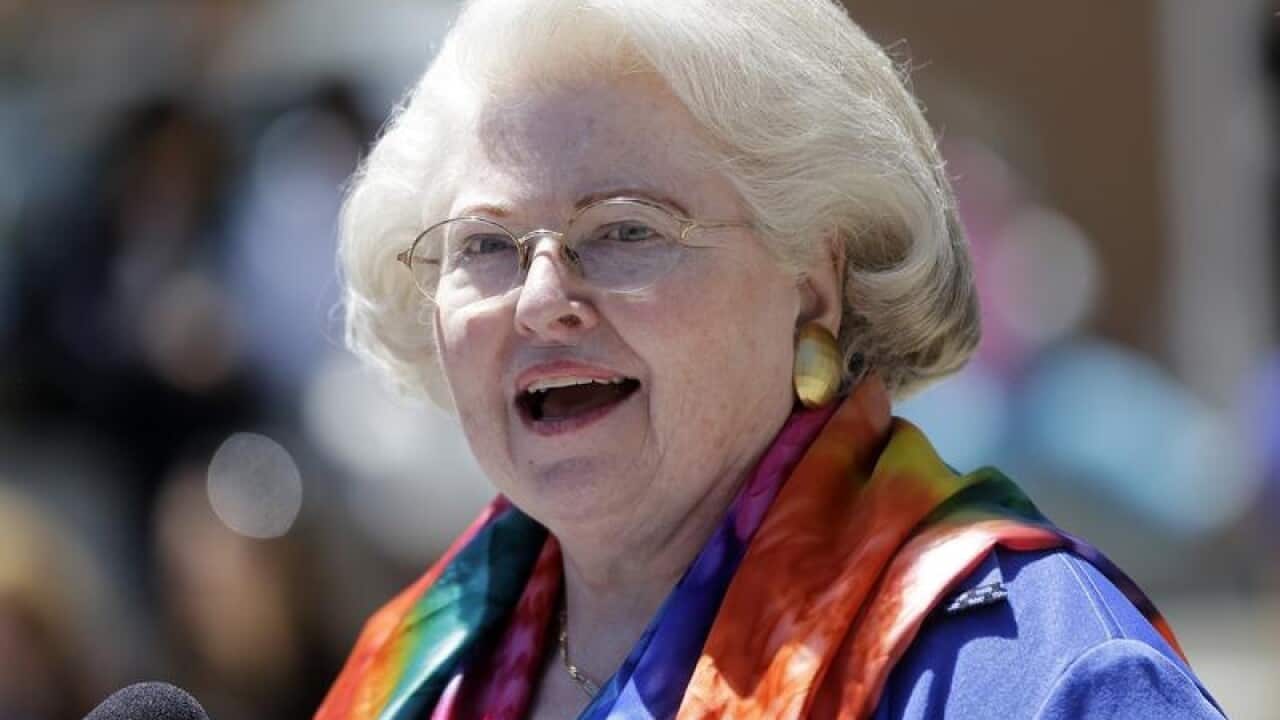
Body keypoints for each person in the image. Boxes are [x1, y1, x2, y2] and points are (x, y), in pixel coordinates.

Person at [316, 1, 1225, 717]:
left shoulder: (1031, 675)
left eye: (626, 229)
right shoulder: (411, 675)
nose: (543, 299)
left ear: (815, 283)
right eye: (484, 246)